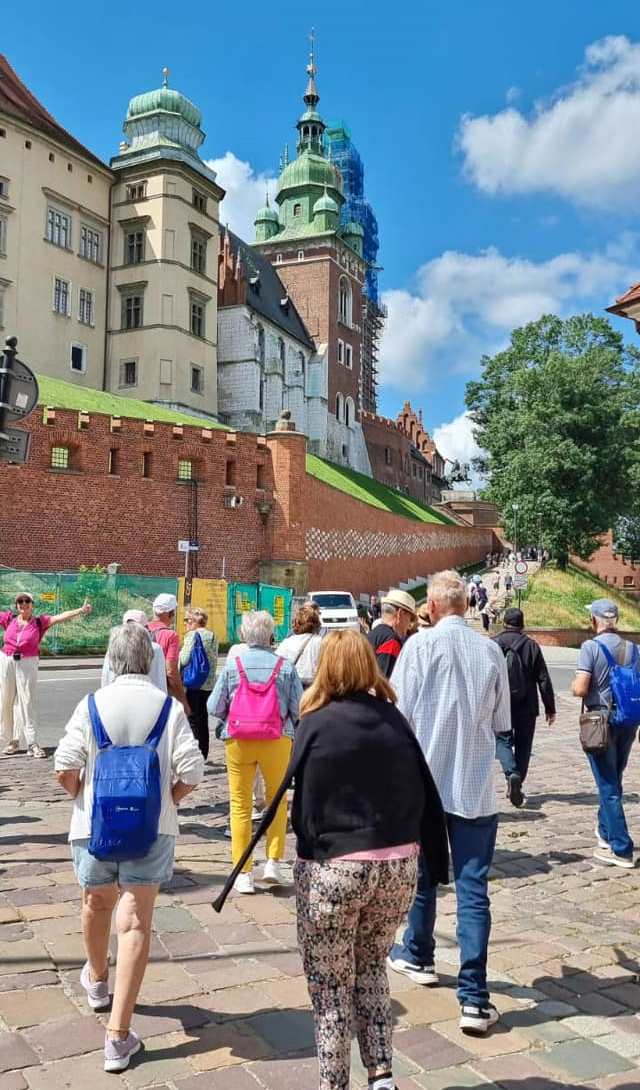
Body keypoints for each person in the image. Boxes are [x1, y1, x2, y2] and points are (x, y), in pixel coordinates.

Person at [213, 630, 448, 1090]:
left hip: (336, 868)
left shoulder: (317, 722)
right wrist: (435, 865)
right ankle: (381, 1076)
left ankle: (334, 1082)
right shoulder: (394, 720)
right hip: (397, 865)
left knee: (330, 985)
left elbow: (302, 810)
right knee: (372, 966)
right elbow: (424, 791)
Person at [54, 623, 204, 1073]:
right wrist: (168, 801)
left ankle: (98, 979)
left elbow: (64, 766)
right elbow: (192, 770)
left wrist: (82, 795)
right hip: (153, 828)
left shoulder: (91, 703)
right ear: (150, 660)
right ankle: (118, 1037)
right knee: (136, 920)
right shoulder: (168, 707)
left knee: (95, 902)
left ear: (111, 660)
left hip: (92, 827)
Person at [389, 570, 510, 1035]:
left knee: (422, 874)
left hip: (427, 781)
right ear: (464, 604)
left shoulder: (419, 647)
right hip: (474, 783)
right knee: (472, 888)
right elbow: (501, 720)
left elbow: (399, 715)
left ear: (433, 607)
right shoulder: (489, 650)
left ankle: (419, 953)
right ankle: (475, 998)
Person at [207, 610, 303, 894]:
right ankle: (273, 862)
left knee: (239, 804)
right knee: (277, 800)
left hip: (239, 739)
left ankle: (244, 873)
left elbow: (214, 706)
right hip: (277, 738)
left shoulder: (233, 665)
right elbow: (299, 707)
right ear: (271, 634)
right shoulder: (284, 666)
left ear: (244, 635)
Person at [572, 599, 639, 868]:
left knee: (607, 784)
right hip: (629, 720)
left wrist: (577, 688)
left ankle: (621, 848)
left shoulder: (590, 647)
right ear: (616, 621)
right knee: (615, 777)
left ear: (595, 621)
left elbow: (580, 687)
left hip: (601, 721)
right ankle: (605, 831)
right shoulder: (634, 648)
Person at [1, 592, 92, 758]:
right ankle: (11, 741)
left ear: (32, 604)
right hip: (7, 660)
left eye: (27, 601)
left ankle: (32, 742)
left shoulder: (39, 622)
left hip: (28, 662)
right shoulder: (9, 619)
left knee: (27, 701)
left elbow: (60, 617)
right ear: (16, 605)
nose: (23, 603)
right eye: (20, 601)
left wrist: (80, 610)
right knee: (5, 701)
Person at [492, 607, 556, 807]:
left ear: (504, 623)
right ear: (522, 625)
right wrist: (550, 707)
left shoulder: (493, 644)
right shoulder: (531, 646)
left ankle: (511, 773)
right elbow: (543, 678)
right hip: (526, 704)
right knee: (524, 744)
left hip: (499, 702)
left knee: (502, 739)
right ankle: (518, 778)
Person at [179, 607, 218, 760]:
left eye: (187, 620)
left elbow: (184, 659)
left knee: (192, 718)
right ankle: (204, 751)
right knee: (203, 717)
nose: (186, 624)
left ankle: (195, 753)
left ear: (194, 621)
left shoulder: (192, 635)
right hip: (208, 683)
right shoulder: (213, 635)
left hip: (194, 682)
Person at [101, 610, 166, 692]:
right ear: (145, 627)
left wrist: (104, 696)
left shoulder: (114, 646)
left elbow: (106, 676)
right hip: (148, 696)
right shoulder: (155, 648)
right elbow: (160, 679)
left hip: (117, 694)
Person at [148, 594, 189, 714]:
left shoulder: (141, 629)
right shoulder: (171, 635)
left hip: (142, 689)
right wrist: (183, 700)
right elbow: (170, 670)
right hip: (161, 693)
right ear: (170, 613)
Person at [367, 588, 416, 678]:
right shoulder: (392, 641)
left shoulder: (374, 633)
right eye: (410, 618)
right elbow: (385, 683)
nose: (410, 624)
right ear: (400, 614)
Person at [277, 602, 323, 688]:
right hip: (314, 688)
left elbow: (277, 669)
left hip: (293, 687)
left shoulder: (287, 642)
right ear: (316, 623)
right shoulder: (321, 642)